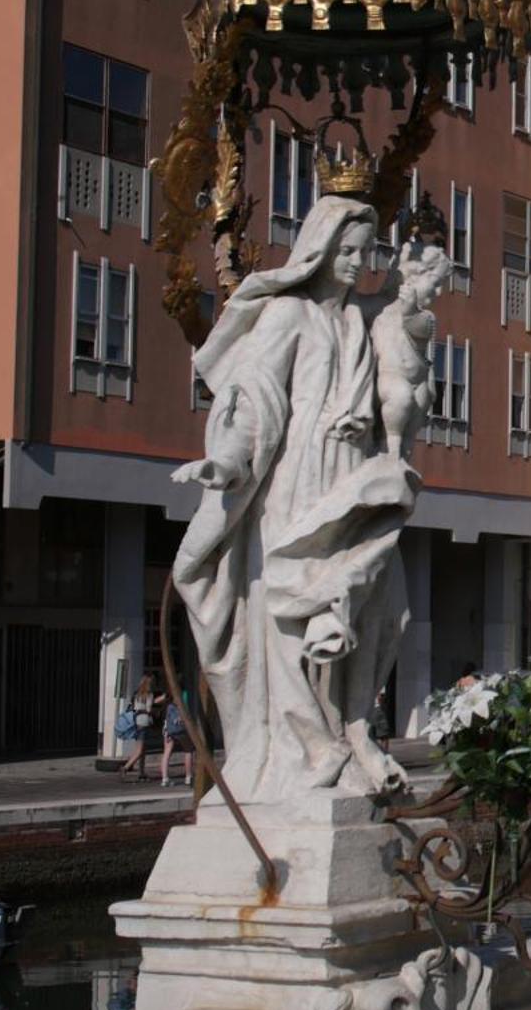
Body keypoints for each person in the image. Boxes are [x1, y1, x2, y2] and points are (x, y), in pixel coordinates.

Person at [170, 194, 415, 804]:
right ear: (320, 249)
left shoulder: (356, 321)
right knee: (289, 610)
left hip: (349, 475)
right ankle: (307, 744)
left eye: (366, 252)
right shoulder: (287, 314)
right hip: (296, 477)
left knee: (379, 609)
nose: (358, 262)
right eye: (347, 251)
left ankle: (347, 730)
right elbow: (252, 397)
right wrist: (226, 460)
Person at [115, 672, 162, 780]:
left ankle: (142, 772)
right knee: (140, 750)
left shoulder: (137, 694)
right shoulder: (149, 694)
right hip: (144, 723)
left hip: (135, 722)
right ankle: (125, 768)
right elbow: (149, 709)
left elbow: (136, 707)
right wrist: (156, 711)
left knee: (142, 749)